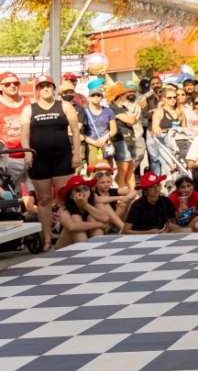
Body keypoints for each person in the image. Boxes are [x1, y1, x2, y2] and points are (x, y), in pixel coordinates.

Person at [21, 75, 83, 252]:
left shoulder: (64, 105)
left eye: (49, 86)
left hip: (62, 156)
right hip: (39, 159)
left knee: (65, 198)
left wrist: (76, 153)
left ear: (54, 88)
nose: (46, 89)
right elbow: (24, 134)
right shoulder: (29, 109)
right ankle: (47, 238)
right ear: (38, 90)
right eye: (42, 86)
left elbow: (75, 131)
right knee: (44, 199)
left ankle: (68, 235)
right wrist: (27, 154)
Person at [56, 175, 121, 248]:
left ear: (90, 191)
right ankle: (86, 250)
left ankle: (97, 249)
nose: (83, 191)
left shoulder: (95, 202)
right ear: (71, 195)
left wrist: (84, 204)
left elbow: (105, 218)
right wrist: (99, 224)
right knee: (76, 218)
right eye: (78, 189)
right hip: (66, 248)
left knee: (92, 217)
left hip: (88, 241)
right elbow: (71, 227)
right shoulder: (64, 208)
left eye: (85, 188)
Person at [0, 71, 30, 187]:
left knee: (35, 193)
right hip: (7, 158)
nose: (12, 85)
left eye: (15, 83)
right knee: (12, 194)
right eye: (7, 84)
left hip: (31, 155)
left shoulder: (30, 102)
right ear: (1, 87)